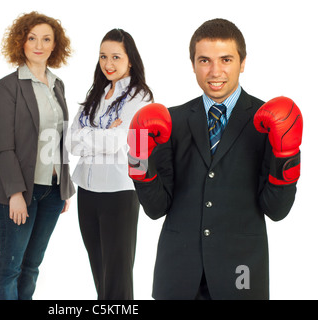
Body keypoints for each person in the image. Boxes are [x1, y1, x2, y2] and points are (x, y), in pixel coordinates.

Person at [127, 18, 302, 299]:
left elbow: (277, 210)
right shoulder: (171, 120)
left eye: (226, 60)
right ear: (193, 64)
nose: (215, 71)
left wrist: (287, 155)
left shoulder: (269, 120)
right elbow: (156, 208)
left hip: (240, 272)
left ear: (242, 63)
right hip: (178, 271)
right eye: (205, 60)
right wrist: (137, 156)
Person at [0, 12, 75, 300]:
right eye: (32, 38)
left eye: (46, 39)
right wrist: (15, 193)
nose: (39, 45)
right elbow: (3, 146)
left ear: (54, 46)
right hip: (20, 190)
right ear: (21, 42)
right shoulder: (8, 85)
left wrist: (64, 187)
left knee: (32, 266)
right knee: (10, 267)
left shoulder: (57, 84)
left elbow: (60, 138)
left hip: (52, 192)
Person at [66, 28, 154, 300]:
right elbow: (70, 142)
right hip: (88, 193)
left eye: (116, 57)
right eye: (103, 56)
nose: (108, 63)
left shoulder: (140, 97)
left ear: (130, 60)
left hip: (119, 193)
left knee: (116, 276)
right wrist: (101, 135)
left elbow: (118, 143)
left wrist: (89, 133)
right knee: (99, 272)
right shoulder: (97, 93)